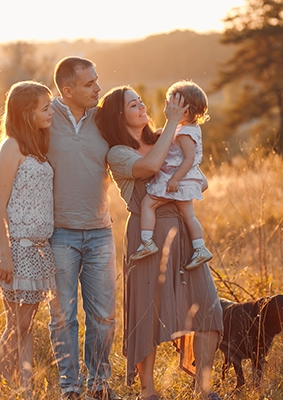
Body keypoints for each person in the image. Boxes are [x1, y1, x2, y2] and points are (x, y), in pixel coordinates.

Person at [95, 86, 224, 400]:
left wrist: (187, 172)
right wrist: (171, 124)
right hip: (146, 234)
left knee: (208, 306)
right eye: (133, 103)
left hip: (182, 229)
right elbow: (151, 167)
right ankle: (147, 391)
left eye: (140, 100)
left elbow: (199, 175)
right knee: (146, 312)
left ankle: (204, 388)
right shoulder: (117, 153)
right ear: (118, 115)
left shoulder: (164, 137)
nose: (142, 106)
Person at [46, 56, 120, 400]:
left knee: (103, 317)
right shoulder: (45, 118)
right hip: (59, 234)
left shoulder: (104, 119)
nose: (97, 88)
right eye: (89, 84)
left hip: (100, 232)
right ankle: (70, 388)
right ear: (68, 89)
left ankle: (100, 385)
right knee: (63, 318)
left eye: (97, 80)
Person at [0, 80, 57, 394]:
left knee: (27, 326)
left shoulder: (38, 146)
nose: (51, 112)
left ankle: (25, 388)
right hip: (14, 250)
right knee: (17, 324)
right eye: (45, 107)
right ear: (27, 113)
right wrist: (6, 256)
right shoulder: (11, 147)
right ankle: (6, 385)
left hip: (38, 251)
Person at [131, 80, 213, 271]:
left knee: (147, 204)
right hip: (183, 179)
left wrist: (175, 179)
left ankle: (147, 242)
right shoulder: (187, 129)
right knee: (188, 215)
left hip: (176, 179)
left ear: (184, 111)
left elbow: (189, 159)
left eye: (170, 104)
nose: (166, 107)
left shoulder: (184, 134)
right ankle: (200, 248)